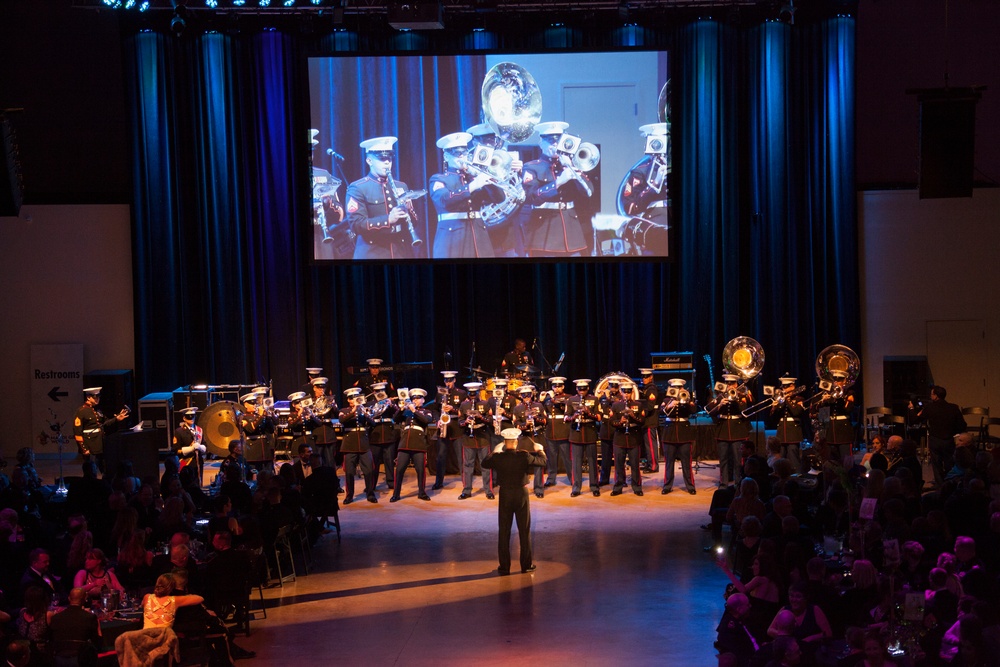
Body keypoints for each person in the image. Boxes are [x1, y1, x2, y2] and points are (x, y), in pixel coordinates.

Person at [520, 121, 593, 257]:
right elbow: (531, 197)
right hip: (544, 232)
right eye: (550, 141)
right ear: (541, 143)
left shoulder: (570, 164)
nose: (554, 145)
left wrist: (573, 168)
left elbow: (588, 192)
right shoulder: (532, 167)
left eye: (557, 141)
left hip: (571, 232)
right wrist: (559, 182)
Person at [481, 428, 547, 575]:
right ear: (516, 442)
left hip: (505, 493)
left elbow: (484, 463)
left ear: (504, 443)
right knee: (524, 530)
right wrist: (540, 450)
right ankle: (526, 565)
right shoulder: (524, 456)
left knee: (504, 531)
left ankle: (504, 567)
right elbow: (542, 462)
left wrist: (494, 452)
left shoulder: (499, 457)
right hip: (521, 494)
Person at [429, 130, 500, 259]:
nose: (462, 157)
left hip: (479, 236)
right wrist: (473, 185)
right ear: (446, 157)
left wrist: (488, 179)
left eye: (465, 153)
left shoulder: (473, 177)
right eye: (457, 153)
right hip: (453, 238)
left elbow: (499, 198)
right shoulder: (439, 179)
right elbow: (444, 200)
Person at [345, 136, 418, 260]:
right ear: (369, 161)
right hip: (372, 252)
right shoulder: (358, 187)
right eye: (382, 159)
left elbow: (414, 222)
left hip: (400, 250)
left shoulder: (401, 186)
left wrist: (409, 212)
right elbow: (356, 224)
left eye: (389, 158)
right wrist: (388, 219)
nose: (387, 163)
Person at [115, 573, 204, 665]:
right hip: (163, 642)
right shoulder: (175, 600)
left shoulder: (147, 597)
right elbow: (200, 599)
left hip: (146, 642)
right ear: (172, 587)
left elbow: (142, 605)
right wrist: (182, 594)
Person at [618, 122, 671, 256]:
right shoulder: (641, 172)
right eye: (656, 143)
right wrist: (654, 185)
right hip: (656, 220)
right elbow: (630, 207)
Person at [909, 385, 966, 488]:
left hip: (935, 440)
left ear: (935, 396)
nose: (931, 396)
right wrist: (953, 432)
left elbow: (914, 420)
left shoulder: (930, 407)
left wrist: (912, 408)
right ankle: (951, 485)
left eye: (931, 394)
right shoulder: (954, 407)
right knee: (949, 463)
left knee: (937, 466)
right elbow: (962, 425)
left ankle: (940, 487)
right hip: (948, 440)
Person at [707, 374, 752, 487]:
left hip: (738, 429)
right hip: (723, 429)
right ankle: (724, 482)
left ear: (737, 384)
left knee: (738, 459)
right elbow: (709, 411)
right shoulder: (719, 395)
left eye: (732, 383)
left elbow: (745, 411)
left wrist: (737, 399)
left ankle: (738, 481)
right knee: (723, 459)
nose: (730, 386)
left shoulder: (742, 395)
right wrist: (719, 405)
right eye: (728, 384)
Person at [391, 388, 433, 502]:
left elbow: (426, 420)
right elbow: (394, 419)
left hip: (418, 443)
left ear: (423, 400)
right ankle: (396, 493)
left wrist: (414, 411)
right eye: (413, 398)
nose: (415, 400)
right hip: (404, 443)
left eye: (418, 398)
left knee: (420, 470)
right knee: (399, 470)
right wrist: (401, 409)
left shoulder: (426, 411)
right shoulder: (406, 412)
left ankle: (422, 492)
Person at [73, 386, 128, 472]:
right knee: (91, 469)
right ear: (88, 397)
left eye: (98, 397)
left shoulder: (98, 410)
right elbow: (77, 432)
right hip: (90, 445)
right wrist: (84, 449)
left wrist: (117, 418)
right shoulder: (81, 411)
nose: (97, 399)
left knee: (104, 467)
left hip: (100, 443)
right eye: (95, 397)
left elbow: (105, 423)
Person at [337, 387, 376, 504]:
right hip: (349, 444)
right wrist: (353, 411)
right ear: (349, 400)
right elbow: (342, 421)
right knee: (349, 472)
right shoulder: (344, 410)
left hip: (363, 444)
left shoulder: (364, 409)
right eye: (353, 398)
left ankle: (370, 493)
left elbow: (373, 423)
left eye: (357, 397)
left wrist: (366, 414)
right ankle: (349, 495)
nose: (355, 400)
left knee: (369, 470)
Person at [661, 377, 697, 495]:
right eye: (675, 388)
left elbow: (693, 410)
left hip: (684, 433)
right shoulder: (666, 399)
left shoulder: (686, 398)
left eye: (679, 387)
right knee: (669, 462)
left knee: (686, 462)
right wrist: (669, 406)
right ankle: (667, 486)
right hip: (669, 433)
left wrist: (687, 402)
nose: (677, 390)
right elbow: (660, 412)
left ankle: (690, 486)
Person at [609, 381, 646, 496]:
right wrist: (620, 422)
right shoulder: (615, 405)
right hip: (619, 438)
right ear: (621, 392)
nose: (626, 395)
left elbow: (642, 421)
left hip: (633, 437)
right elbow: (611, 422)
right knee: (619, 465)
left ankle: (637, 487)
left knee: (635, 465)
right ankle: (618, 486)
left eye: (629, 392)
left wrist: (633, 416)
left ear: (631, 393)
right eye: (624, 392)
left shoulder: (638, 405)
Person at [566, 379, 601, 497]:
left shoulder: (594, 399)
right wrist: (574, 416)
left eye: (584, 389)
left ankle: (594, 486)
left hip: (590, 433)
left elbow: (599, 417)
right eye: (579, 389)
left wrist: (589, 412)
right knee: (576, 463)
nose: (582, 391)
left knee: (592, 462)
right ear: (576, 389)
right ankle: (576, 488)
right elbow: (566, 417)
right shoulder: (571, 400)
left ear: (588, 389)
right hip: (576, 434)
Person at [459, 383, 494, 500]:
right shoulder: (464, 405)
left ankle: (488, 490)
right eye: (471, 395)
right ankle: (466, 490)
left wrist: (481, 417)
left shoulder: (485, 404)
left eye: (475, 394)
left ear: (479, 393)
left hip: (483, 437)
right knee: (468, 465)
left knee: (485, 465)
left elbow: (490, 420)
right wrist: (466, 422)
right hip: (468, 438)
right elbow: (459, 421)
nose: (473, 397)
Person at [433, 371, 466, 490]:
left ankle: (465, 483)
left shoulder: (461, 393)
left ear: (455, 380)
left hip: (456, 427)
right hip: (443, 426)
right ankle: (438, 482)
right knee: (441, 456)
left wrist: (453, 409)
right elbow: (435, 410)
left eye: (450, 380)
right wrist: (437, 420)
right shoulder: (439, 393)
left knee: (460, 457)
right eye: (446, 381)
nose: (448, 383)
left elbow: (465, 410)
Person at [512, 385, 547, 498]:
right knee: (522, 464)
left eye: (528, 395)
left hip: (537, 436)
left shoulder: (539, 405)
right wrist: (525, 425)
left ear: (532, 395)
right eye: (523, 395)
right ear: (520, 396)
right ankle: (521, 487)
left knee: (538, 464)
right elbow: (516, 424)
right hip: (524, 437)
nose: (526, 397)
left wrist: (536, 418)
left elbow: (545, 421)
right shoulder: (517, 408)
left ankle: (539, 488)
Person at [366, 381, 399, 494]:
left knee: (389, 461)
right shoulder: (370, 403)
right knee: (373, 462)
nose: (380, 393)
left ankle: (390, 482)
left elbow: (398, 414)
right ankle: (372, 484)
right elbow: (367, 418)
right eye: (378, 391)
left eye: (382, 391)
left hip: (388, 435)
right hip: (375, 436)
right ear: (374, 392)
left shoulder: (389, 403)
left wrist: (393, 405)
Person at [48, 587, 101, 656]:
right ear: (85, 599)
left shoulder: (55, 618)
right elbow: (98, 644)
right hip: (82, 659)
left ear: (69, 598)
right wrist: (98, 627)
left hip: (59, 659)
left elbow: (51, 641)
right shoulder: (90, 617)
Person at [541, 377, 572, 489]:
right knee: (551, 458)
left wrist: (554, 399)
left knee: (567, 458)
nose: (557, 388)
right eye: (555, 386)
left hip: (563, 431)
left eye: (559, 386)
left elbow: (566, 408)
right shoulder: (547, 398)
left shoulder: (568, 397)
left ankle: (572, 478)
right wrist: (541, 400)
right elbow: (543, 412)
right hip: (551, 431)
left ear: (563, 386)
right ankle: (551, 479)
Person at [771, 376, 805, 472]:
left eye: (786, 387)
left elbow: (796, 412)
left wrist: (787, 399)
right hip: (781, 433)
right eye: (783, 387)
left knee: (793, 458)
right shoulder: (779, 400)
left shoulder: (799, 399)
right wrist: (774, 407)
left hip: (793, 433)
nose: (784, 389)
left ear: (792, 386)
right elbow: (773, 418)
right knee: (781, 458)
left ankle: (797, 477)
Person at [637, 368, 661, 473]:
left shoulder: (651, 389)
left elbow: (650, 406)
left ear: (651, 377)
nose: (644, 379)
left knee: (651, 444)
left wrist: (640, 413)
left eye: (646, 377)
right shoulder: (645, 388)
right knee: (647, 444)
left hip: (650, 420)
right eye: (642, 376)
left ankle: (654, 466)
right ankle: (649, 463)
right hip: (646, 421)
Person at [172, 407, 207, 476]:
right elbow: (176, 450)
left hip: (198, 462)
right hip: (186, 463)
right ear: (184, 418)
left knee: (198, 483)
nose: (191, 419)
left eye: (193, 417)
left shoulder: (199, 430)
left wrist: (200, 447)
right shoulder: (179, 431)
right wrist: (191, 449)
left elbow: (205, 446)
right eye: (189, 417)